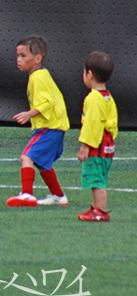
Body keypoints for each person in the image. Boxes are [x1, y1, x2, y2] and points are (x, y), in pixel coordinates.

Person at [7, 36, 69, 208]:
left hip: (49, 126)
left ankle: (27, 194)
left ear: (37, 59)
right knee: (43, 164)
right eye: (18, 56)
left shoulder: (38, 77)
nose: (18, 60)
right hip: (56, 127)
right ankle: (58, 196)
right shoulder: (40, 75)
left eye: (23, 56)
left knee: (26, 157)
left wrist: (29, 114)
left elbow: (47, 102)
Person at [77, 51, 117, 222]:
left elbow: (92, 123)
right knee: (99, 176)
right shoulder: (107, 96)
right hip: (107, 143)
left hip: (97, 146)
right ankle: (95, 208)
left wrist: (85, 145)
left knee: (97, 180)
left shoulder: (93, 98)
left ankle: (101, 211)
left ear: (90, 74)